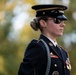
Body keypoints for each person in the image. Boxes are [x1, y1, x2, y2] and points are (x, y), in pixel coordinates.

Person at [18, 4, 71, 75]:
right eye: (57, 20)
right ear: (43, 23)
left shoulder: (63, 53)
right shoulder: (38, 47)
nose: (63, 24)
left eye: (63, 21)